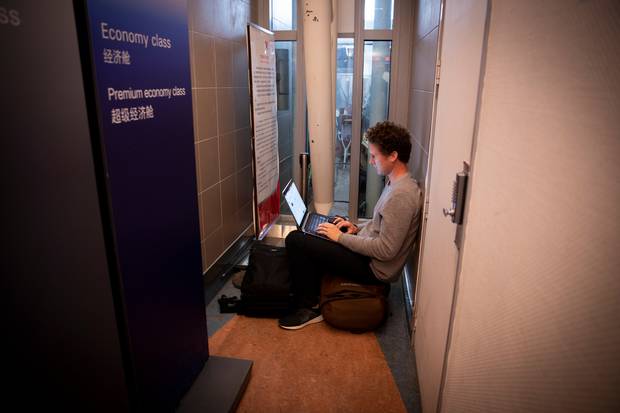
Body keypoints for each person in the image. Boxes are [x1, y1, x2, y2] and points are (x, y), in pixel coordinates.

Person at [279, 121, 423, 330]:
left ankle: (309, 307)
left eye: (374, 156)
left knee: (296, 240)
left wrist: (341, 238)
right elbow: (379, 226)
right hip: (370, 257)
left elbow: (386, 250)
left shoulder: (402, 196)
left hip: (374, 270)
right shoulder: (396, 183)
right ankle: (306, 291)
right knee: (321, 230)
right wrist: (355, 228)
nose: (371, 162)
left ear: (393, 155)